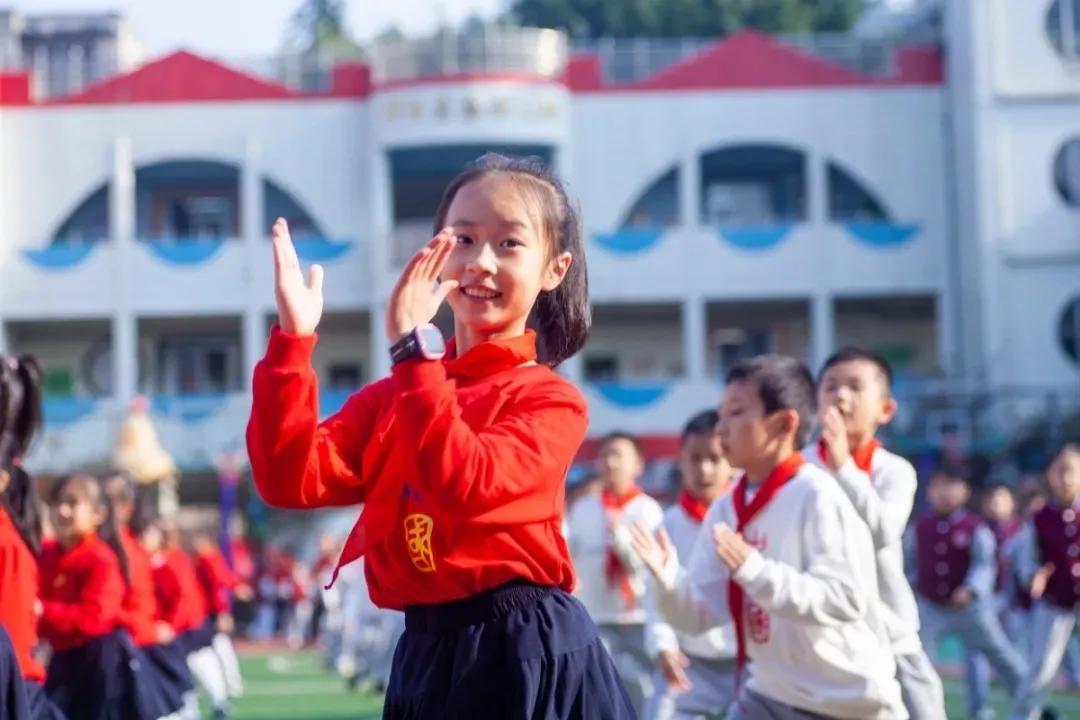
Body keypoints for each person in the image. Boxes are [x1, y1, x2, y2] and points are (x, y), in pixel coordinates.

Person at [247, 153, 633, 718]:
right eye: (464, 239)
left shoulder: (548, 399)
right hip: (425, 651)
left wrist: (413, 352)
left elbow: (465, 487)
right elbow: (288, 479)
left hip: (521, 651)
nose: (481, 261)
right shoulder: (398, 392)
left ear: (556, 268)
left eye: (509, 244)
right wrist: (292, 343)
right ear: (435, 255)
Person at [632, 354, 905, 719]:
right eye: (722, 413)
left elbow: (844, 598)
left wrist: (754, 571)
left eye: (736, 412)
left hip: (846, 701)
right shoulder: (727, 507)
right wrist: (667, 581)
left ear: (782, 425)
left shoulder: (818, 495)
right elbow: (702, 614)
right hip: (769, 692)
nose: (721, 427)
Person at [809, 348, 945, 719]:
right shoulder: (799, 469)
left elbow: (883, 532)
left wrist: (842, 467)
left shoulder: (895, 471)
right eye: (830, 387)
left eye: (855, 387)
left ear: (885, 409)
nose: (840, 396)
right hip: (824, 637)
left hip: (890, 632)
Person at [908, 464, 1027, 720]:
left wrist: (971, 589)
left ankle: (1033, 704)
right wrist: (913, 586)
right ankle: (915, 712)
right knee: (912, 658)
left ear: (965, 492)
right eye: (941, 486)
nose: (946, 493)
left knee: (1002, 656)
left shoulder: (975, 527)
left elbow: (985, 564)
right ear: (930, 490)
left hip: (970, 609)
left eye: (953, 486)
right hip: (931, 607)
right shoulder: (920, 526)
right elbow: (907, 563)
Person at [643, 409, 737, 720]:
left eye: (714, 458)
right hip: (689, 662)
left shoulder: (746, 517)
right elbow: (656, 598)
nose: (704, 469)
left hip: (748, 663)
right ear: (681, 460)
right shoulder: (667, 525)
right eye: (695, 459)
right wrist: (664, 647)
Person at [567, 431, 663, 714]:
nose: (610, 463)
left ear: (638, 465)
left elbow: (646, 566)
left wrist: (619, 536)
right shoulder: (584, 508)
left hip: (639, 616)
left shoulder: (648, 510)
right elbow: (571, 555)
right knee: (601, 690)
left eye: (618, 455)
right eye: (605, 455)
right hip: (598, 615)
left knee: (649, 689)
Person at [39, 474, 145, 720]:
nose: (62, 511)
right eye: (57, 503)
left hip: (98, 664)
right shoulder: (47, 555)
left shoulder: (100, 558)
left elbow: (94, 618)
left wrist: (42, 611)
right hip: (62, 659)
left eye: (72, 503)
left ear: (98, 514)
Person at [1008, 444, 1080, 720]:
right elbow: (1028, 560)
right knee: (1041, 669)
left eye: (1070, 471)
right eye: (1059, 471)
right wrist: (1033, 576)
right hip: (1054, 603)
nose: (1065, 478)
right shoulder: (1040, 518)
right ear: (1050, 475)